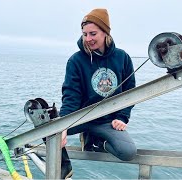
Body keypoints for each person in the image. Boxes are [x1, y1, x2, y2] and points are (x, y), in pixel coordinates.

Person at [59, 8, 137, 178]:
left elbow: (130, 91)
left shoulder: (123, 58)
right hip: (81, 117)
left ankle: (95, 141)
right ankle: (64, 166)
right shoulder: (75, 61)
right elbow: (71, 95)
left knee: (128, 152)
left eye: (93, 33)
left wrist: (122, 117)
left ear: (105, 33)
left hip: (108, 121)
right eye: (84, 34)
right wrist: (62, 125)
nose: (88, 39)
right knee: (47, 129)